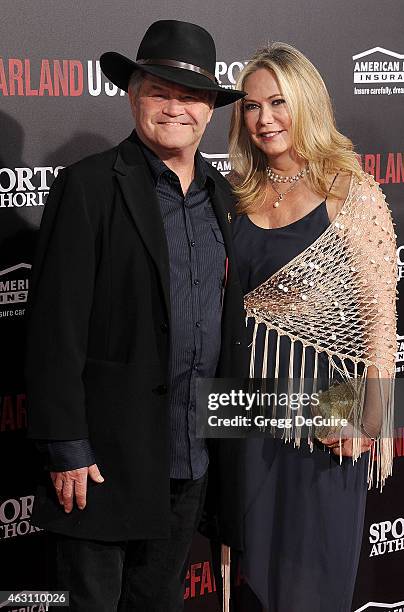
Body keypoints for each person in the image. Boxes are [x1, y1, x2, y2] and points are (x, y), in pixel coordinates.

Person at [25, 20, 248, 612]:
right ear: (133, 96)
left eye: (191, 96)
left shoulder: (223, 197)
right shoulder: (90, 187)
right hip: (103, 460)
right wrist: (67, 445)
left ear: (210, 110)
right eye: (160, 91)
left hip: (189, 457)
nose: (176, 108)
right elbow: (54, 329)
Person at [224, 43, 398, 612]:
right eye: (251, 107)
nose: (264, 119)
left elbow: (379, 323)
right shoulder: (233, 194)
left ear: (308, 104)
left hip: (326, 414)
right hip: (249, 413)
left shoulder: (351, 193)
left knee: (309, 585)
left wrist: (367, 422)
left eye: (278, 103)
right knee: (252, 580)